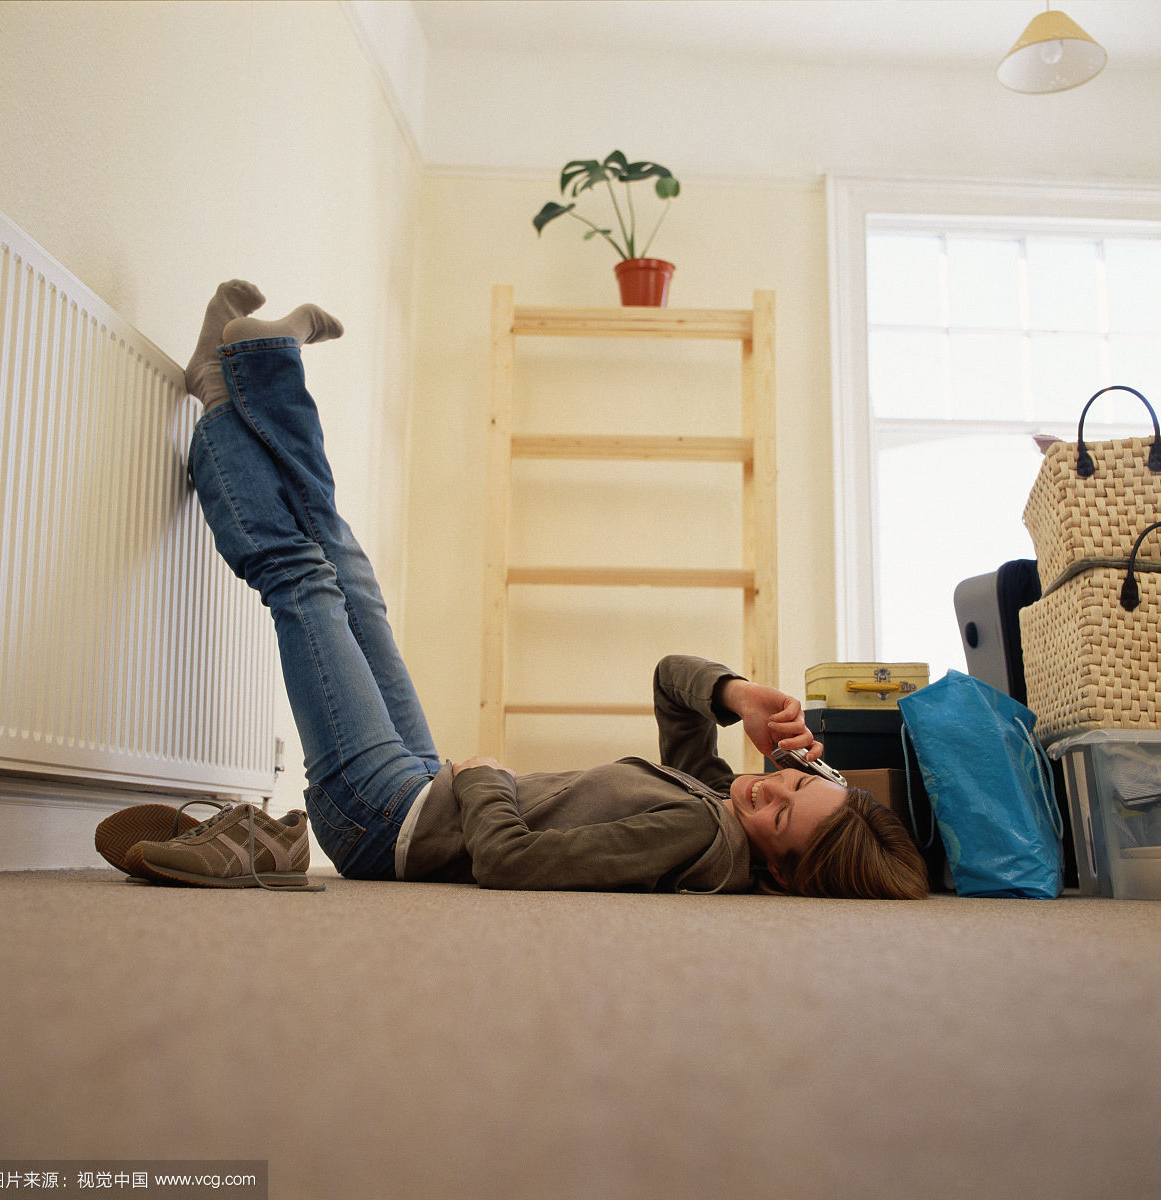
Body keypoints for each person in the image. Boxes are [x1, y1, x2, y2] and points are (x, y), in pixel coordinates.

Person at [106, 282, 927, 900]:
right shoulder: (720, 806)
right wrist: (734, 695)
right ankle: (238, 374)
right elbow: (669, 684)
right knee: (349, 576)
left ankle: (236, 383)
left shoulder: (697, 836)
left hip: (386, 820)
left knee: (303, 580)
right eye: (793, 783)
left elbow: (509, 861)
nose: (765, 786)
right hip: (420, 790)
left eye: (780, 814)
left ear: (780, 874)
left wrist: (484, 776)